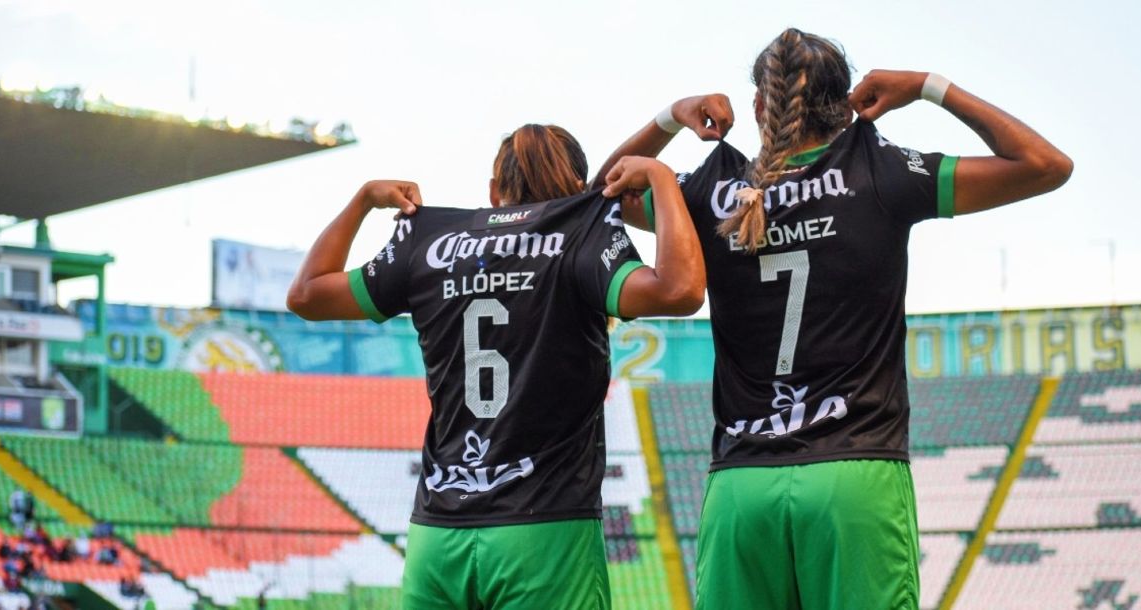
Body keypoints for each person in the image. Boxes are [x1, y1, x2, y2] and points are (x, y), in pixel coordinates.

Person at [595, 28, 1072, 610]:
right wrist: (929, 87)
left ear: (759, 105)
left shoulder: (712, 191)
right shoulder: (880, 171)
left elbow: (600, 196)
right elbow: (1045, 165)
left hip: (742, 485)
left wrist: (671, 117)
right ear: (846, 106)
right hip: (854, 477)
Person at [287, 123, 705, 610]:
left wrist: (362, 201)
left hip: (437, 539)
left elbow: (306, 295)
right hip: (544, 533)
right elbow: (680, 290)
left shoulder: (426, 242)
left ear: (492, 191)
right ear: (579, 189)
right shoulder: (580, 234)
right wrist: (661, 179)